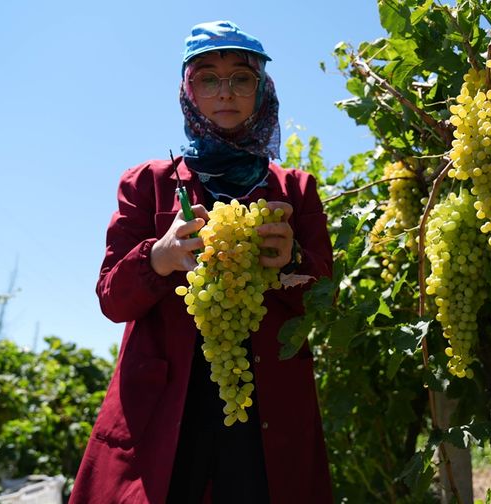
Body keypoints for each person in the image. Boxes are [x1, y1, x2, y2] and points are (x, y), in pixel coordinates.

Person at [70, 20, 333, 504]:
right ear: (187, 91)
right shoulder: (146, 183)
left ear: (262, 88)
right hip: (166, 414)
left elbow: (324, 299)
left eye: (241, 77)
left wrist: (293, 262)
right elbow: (110, 297)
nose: (225, 91)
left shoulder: (295, 189)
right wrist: (158, 256)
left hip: (263, 415)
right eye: (207, 77)